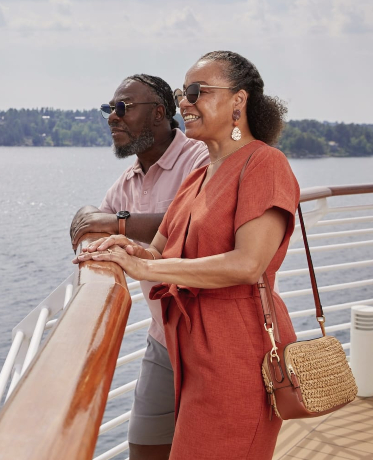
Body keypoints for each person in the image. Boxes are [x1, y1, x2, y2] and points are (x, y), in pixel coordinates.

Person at [75, 51, 299, 459]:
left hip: (236, 353)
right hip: (188, 348)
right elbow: (158, 251)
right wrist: (124, 248)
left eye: (197, 92)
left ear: (238, 101)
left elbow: (248, 264)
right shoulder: (198, 176)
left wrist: (142, 265)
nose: (184, 103)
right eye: (182, 93)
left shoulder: (265, 165)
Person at [70, 74, 208, 460]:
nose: (112, 117)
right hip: (164, 335)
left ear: (159, 114)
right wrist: (92, 217)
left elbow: (193, 220)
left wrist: (115, 223)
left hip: (208, 337)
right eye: (108, 110)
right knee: (145, 446)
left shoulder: (198, 156)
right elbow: (92, 221)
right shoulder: (128, 180)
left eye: (122, 108)